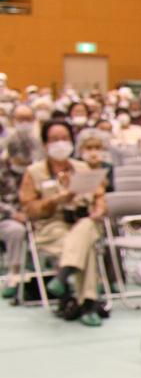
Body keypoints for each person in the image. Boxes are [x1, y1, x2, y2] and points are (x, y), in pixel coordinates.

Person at [18, 120, 108, 325]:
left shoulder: (83, 167)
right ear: (45, 144)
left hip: (83, 221)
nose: (61, 143)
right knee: (87, 247)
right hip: (52, 227)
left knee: (86, 226)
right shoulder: (34, 172)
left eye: (65, 138)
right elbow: (29, 208)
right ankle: (88, 305)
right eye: (54, 139)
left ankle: (64, 273)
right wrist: (57, 199)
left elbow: (100, 198)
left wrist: (98, 210)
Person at [0, 138, 31, 297]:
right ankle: (15, 273)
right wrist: (13, 213)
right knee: (16, 230)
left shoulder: (34, 169)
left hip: (32, 216)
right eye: (20, 160)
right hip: (4, 219)